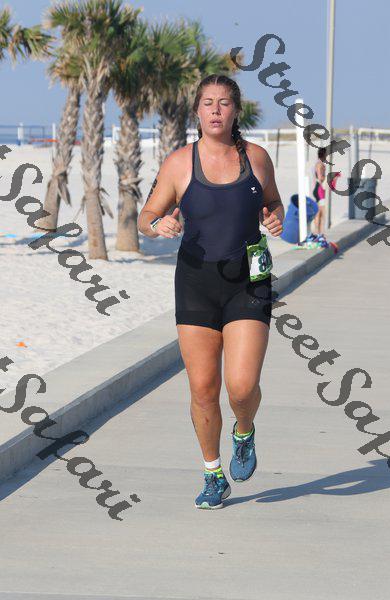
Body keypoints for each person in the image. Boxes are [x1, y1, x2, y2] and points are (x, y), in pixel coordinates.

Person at [138, 74, 284, 509]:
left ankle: (244, 430)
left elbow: (273, 202)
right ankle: (212, 474)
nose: (216, 110)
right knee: (203, 388)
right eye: (207, 103)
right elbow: (147, 215)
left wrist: (274, 216)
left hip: (248, 282)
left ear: (236, 111)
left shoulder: (256, 158)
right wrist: (159, 224)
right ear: (197, 111)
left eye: (224, 102)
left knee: (241, 387)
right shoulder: (179, 163)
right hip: (196, 284)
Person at [311, 147, 327, 240]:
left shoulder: (317, 163)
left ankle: (318, 233)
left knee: (319, 212)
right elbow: (320, 178)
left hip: (317, 188)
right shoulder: (320, 164)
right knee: (321, 212)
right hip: (320, 189)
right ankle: (319, 233)